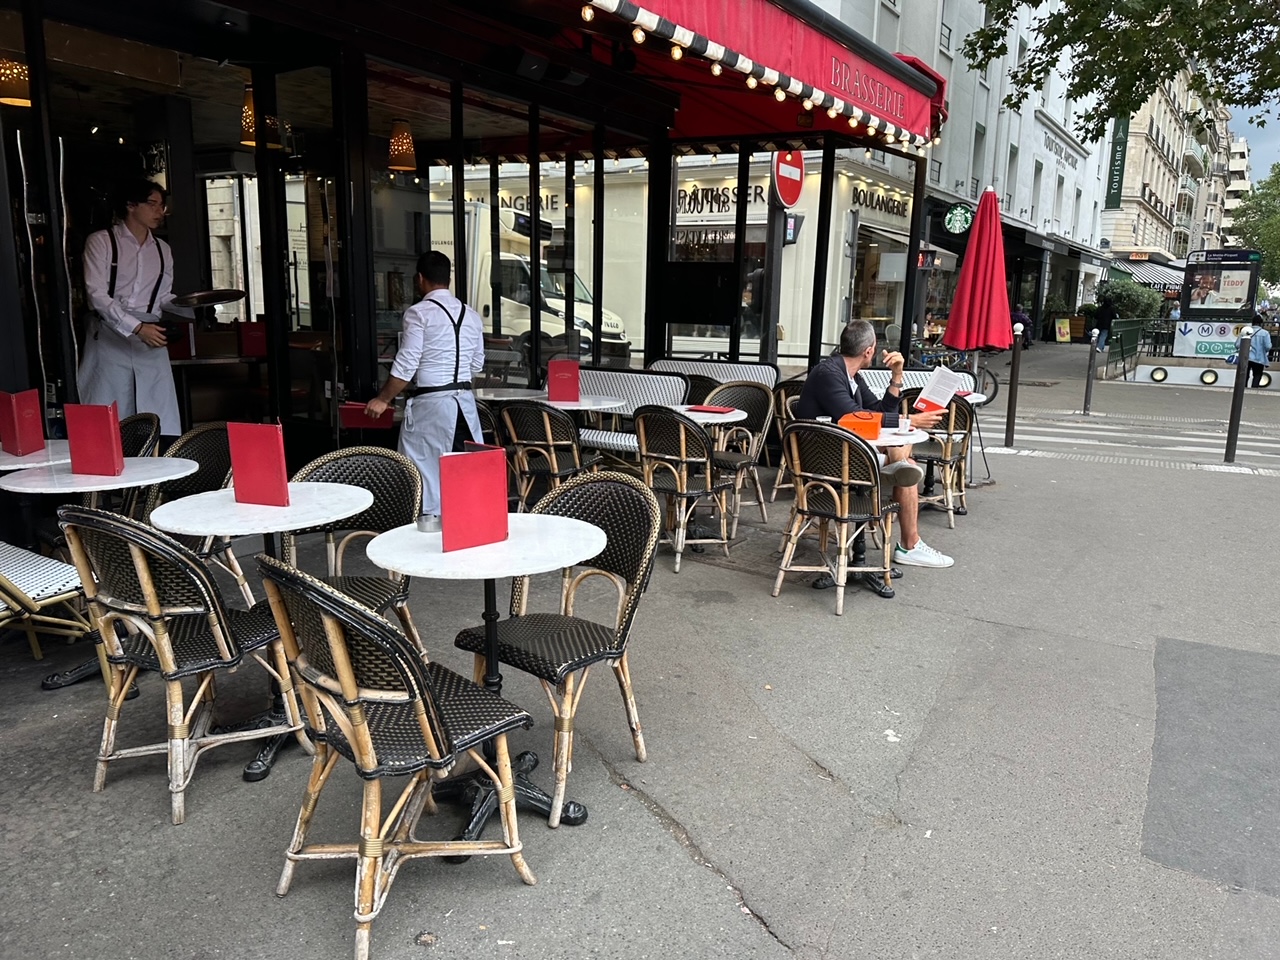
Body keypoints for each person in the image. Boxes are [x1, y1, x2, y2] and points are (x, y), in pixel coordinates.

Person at [797, 320, 954, 569]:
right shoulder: (829, 374)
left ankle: (898, 467)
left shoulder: (851, 375)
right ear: (869, 351)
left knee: (904, 461)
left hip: (845, 454)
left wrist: (897, 376)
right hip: (825, 462)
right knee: (906, 467)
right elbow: (853, 418)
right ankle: (909, 546)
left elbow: (879, 410)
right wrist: (911, 419)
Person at [365, 251, 484, 515]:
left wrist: (383, 399)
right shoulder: (471, 315)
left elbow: (407, 364)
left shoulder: (418, 314)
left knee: (425, 474)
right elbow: (476, 365)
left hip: (431, 406)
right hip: (464, 405)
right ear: (449, 279)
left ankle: (429, 534)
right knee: (464, 473)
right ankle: (465, 529)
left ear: (420, 279)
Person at [79, 179, 193, 437]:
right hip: (109, 333)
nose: (158, 212)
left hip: (151, 336)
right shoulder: (102, 242)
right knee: (108, 408)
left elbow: (162, 296)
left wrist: (194, 305)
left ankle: (156, 470)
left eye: (162, 206)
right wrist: (137, 327)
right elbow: (96, 294)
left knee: (157, 410)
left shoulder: (163, 249)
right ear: (131, 205)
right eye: (152, 204)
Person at [1237, 315, 1273, 388]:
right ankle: (1254, 390)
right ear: (1261, 323)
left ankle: (1243, 390)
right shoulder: (1265, 333)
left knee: (1245, 375)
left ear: (1252, 323)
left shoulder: (1245, 331)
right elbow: (1268, 346)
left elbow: (1237, 345)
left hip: (1245, 357)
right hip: (1259, 358)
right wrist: (1264, 351)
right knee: (1257, 375)